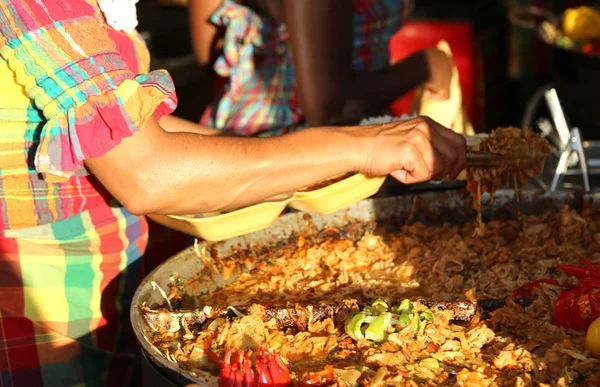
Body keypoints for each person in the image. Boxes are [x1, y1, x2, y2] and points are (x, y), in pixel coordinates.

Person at [0, 1, 466, 386]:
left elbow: (143, 131)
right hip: (42, 312)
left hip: (104, 288)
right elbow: (145, 171)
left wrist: (304, 158)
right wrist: (363, 145)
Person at [189, 0, 454, 136]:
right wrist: (427, 66)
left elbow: (209, 55)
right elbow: (328, 107)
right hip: (301, 168)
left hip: (238, 132)